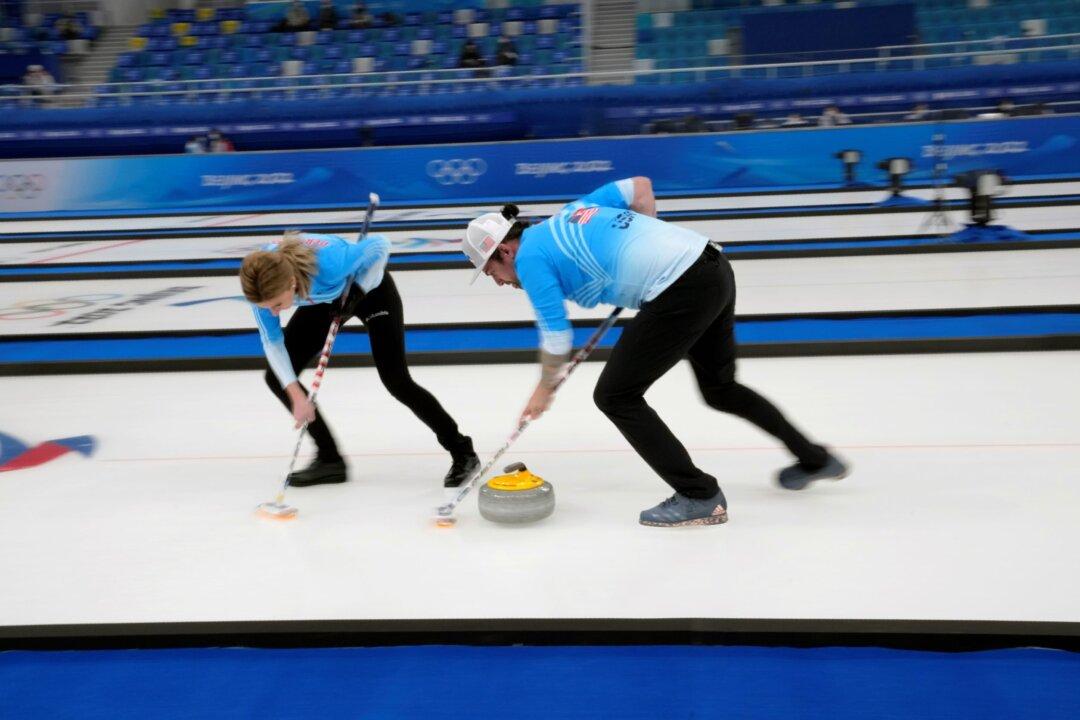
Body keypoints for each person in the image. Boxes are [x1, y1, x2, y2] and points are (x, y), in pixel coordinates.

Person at [461, 178, 847, 527]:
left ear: (505, 251)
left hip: (681, 288)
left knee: (616, 396)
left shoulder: (530, 260)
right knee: (720, 389)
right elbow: (640, 188)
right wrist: (648, 242)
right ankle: (815, 459)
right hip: (711, 266)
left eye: (491, 272)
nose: (498, 282)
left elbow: (557, 336)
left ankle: (700, 495)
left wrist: (543, 390)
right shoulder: (571, 212)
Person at [240, 229, 479, 489]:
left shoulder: (331, 263)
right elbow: (272, 342)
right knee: (279, 379)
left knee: (396, 380)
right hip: (325, 298)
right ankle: (330, 460)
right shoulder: (261, 288)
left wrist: (357, 290)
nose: (273, 313)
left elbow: (380, 245)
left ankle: (462, 451)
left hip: (371, 289)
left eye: (277, 304)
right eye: (267, 307)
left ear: (291, 282)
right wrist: (296, 394)